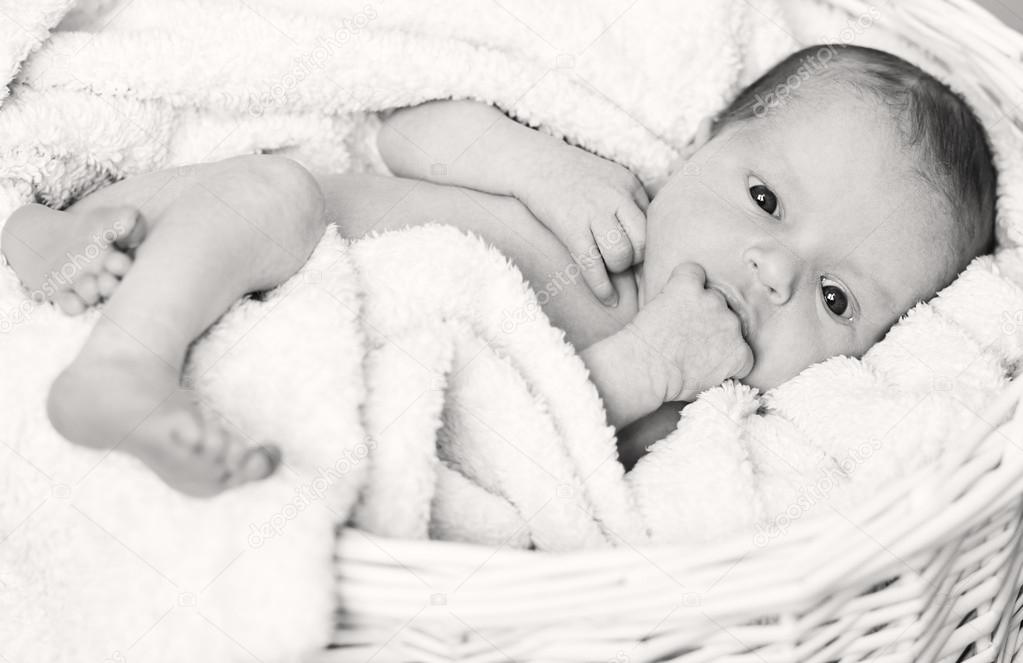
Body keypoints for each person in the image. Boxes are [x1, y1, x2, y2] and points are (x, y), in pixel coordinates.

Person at [1, 45, 996, 495]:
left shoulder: (679, 430)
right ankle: (110, 348)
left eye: (834, 297)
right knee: (280, 194)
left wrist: (647, 372)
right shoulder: (606, 208)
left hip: (298, 354)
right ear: (697, 147)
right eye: (765, 201)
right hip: (223, 235)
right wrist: (541, 166)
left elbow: (500, 447)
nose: (772, 271)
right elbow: (403, 129)